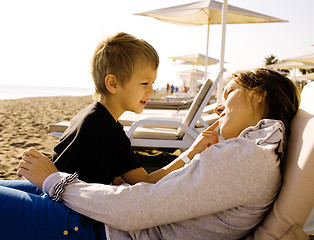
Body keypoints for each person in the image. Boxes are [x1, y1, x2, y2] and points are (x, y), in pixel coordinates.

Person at [0, 68, 300, 240]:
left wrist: (56, 181)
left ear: (259, 93)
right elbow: (156, 193)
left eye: (228, 94)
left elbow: (134, 211)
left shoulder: (250, 158)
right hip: (102, 212)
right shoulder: (254, 154)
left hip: (97, 228)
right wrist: (193, 154)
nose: (219, 107)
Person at [52, 32, 205, 185]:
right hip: (63, 203)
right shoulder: (106, 129)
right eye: (145, 83)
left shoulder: (90, 116)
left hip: (55, 188)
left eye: (153, 83)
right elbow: (145, 183)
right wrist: (191, 153)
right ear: (113, 84)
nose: (151, 91)